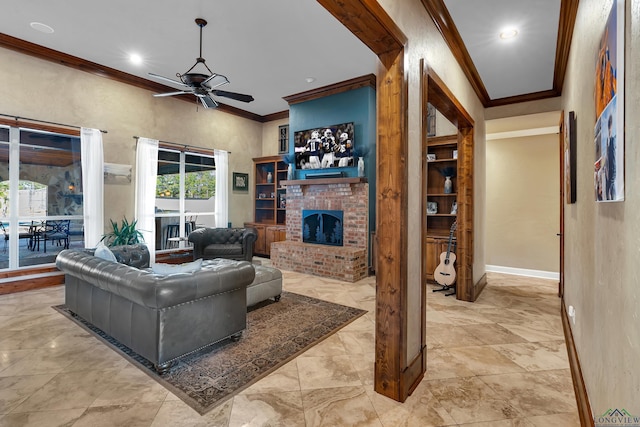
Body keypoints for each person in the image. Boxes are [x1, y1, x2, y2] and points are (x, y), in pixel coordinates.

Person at [604, 114, 616, 200]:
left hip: (611, 174)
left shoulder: (612, 140)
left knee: (612, 195)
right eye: (609, 126)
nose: (609, 129)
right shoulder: (607, 141)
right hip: (608, 174)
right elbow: (607, 158)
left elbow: (613, 158)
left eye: (610, 126)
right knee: (608, 196)